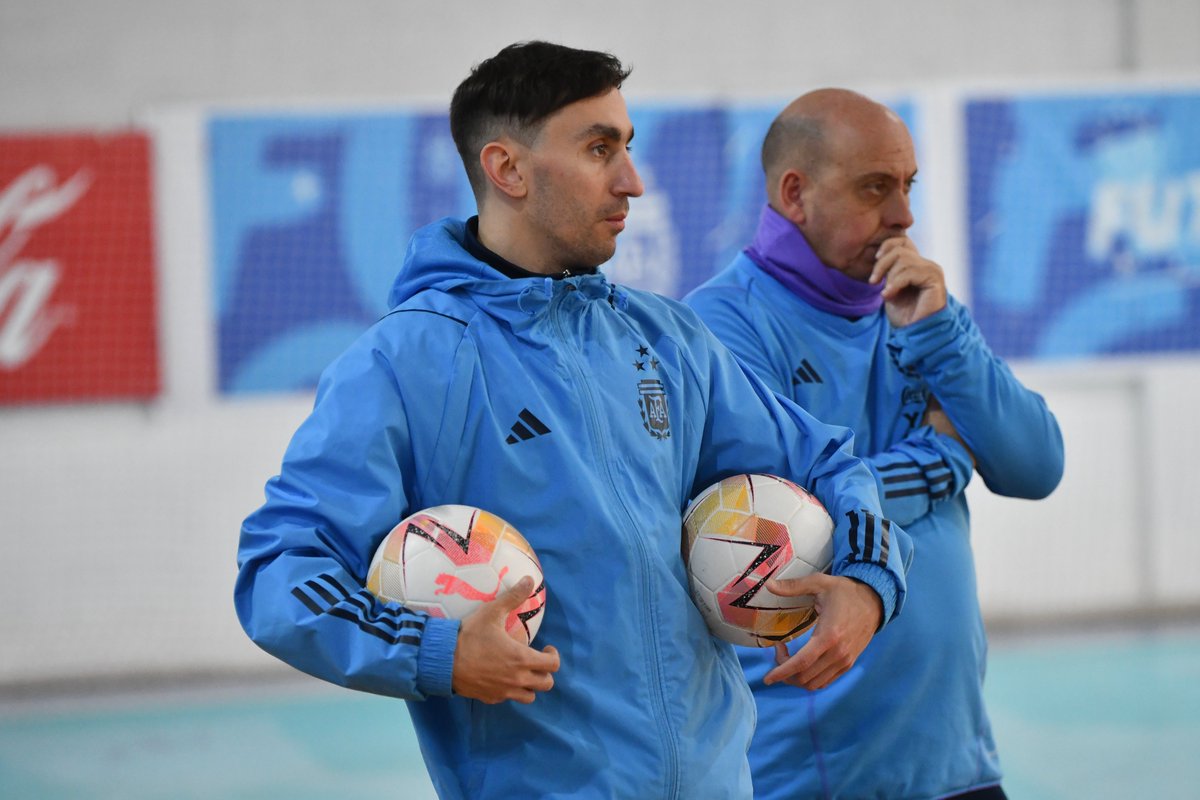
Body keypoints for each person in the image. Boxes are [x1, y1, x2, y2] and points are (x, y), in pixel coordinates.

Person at [234, 45, 912, 799]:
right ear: (508, 169)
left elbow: (828, 464)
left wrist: (867, 580)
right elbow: (281, 569)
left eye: (627, 146)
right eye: (599, 149)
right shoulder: (406, 363)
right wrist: (437, 650)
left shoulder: (665, 340)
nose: (633, 181)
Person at [684, 88, 1065, 799]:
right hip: (817, 778)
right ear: (795, 193)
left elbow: (1037, 464)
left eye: (908, 186)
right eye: (875, 188)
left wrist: (944, 334)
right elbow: (783, 525)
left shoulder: (919, 312)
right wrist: (943, 460)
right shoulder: (718, 327)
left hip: (959, 763)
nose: (904, 215)